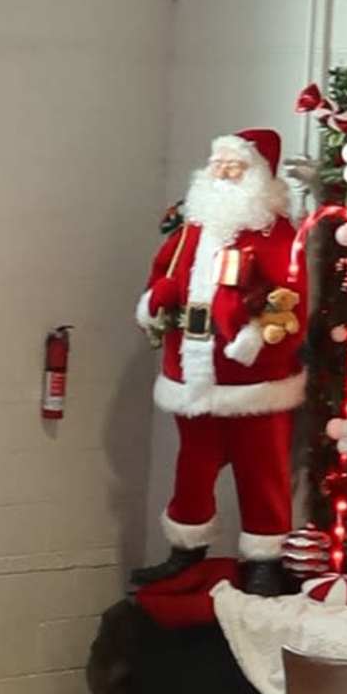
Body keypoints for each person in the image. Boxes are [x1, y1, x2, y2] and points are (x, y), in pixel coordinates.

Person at [137, 122, 308, 576]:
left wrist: (251, 340)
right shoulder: (192, 230)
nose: (223, 174)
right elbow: (163, 274)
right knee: (193, 466)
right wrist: (157, 299)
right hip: (192, 373)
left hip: (253, 381)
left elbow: (291, 308)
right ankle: (185, 549)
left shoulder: (279, 238)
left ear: (260, 176)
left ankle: (264, 561)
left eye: (235, 167)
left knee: (262, 469)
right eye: (219, 165)